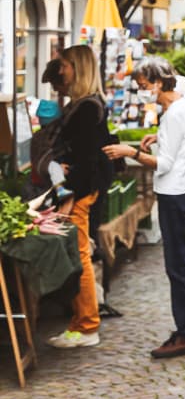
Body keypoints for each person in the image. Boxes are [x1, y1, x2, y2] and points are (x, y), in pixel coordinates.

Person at [104, 58, 185, 358]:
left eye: (144, 86)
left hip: (173, 190)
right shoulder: (184, 101)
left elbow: (165, 163)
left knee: (177, 266)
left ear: (159, 83)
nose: (142, 91)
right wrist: (157, 136)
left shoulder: (173, 114)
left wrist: (129, 152)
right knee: (179, 263)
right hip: (184, 187)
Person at [46, 45, 110, 350]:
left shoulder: (87, 107)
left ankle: (87, 325)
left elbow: (85, 160)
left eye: (65, 65)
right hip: (78, 189)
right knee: (78, 254)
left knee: (79, 255)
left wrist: (69, 197)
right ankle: (80, 322)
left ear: (78, 68)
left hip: (79, 192)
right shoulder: (84, 103)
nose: (62, 71)